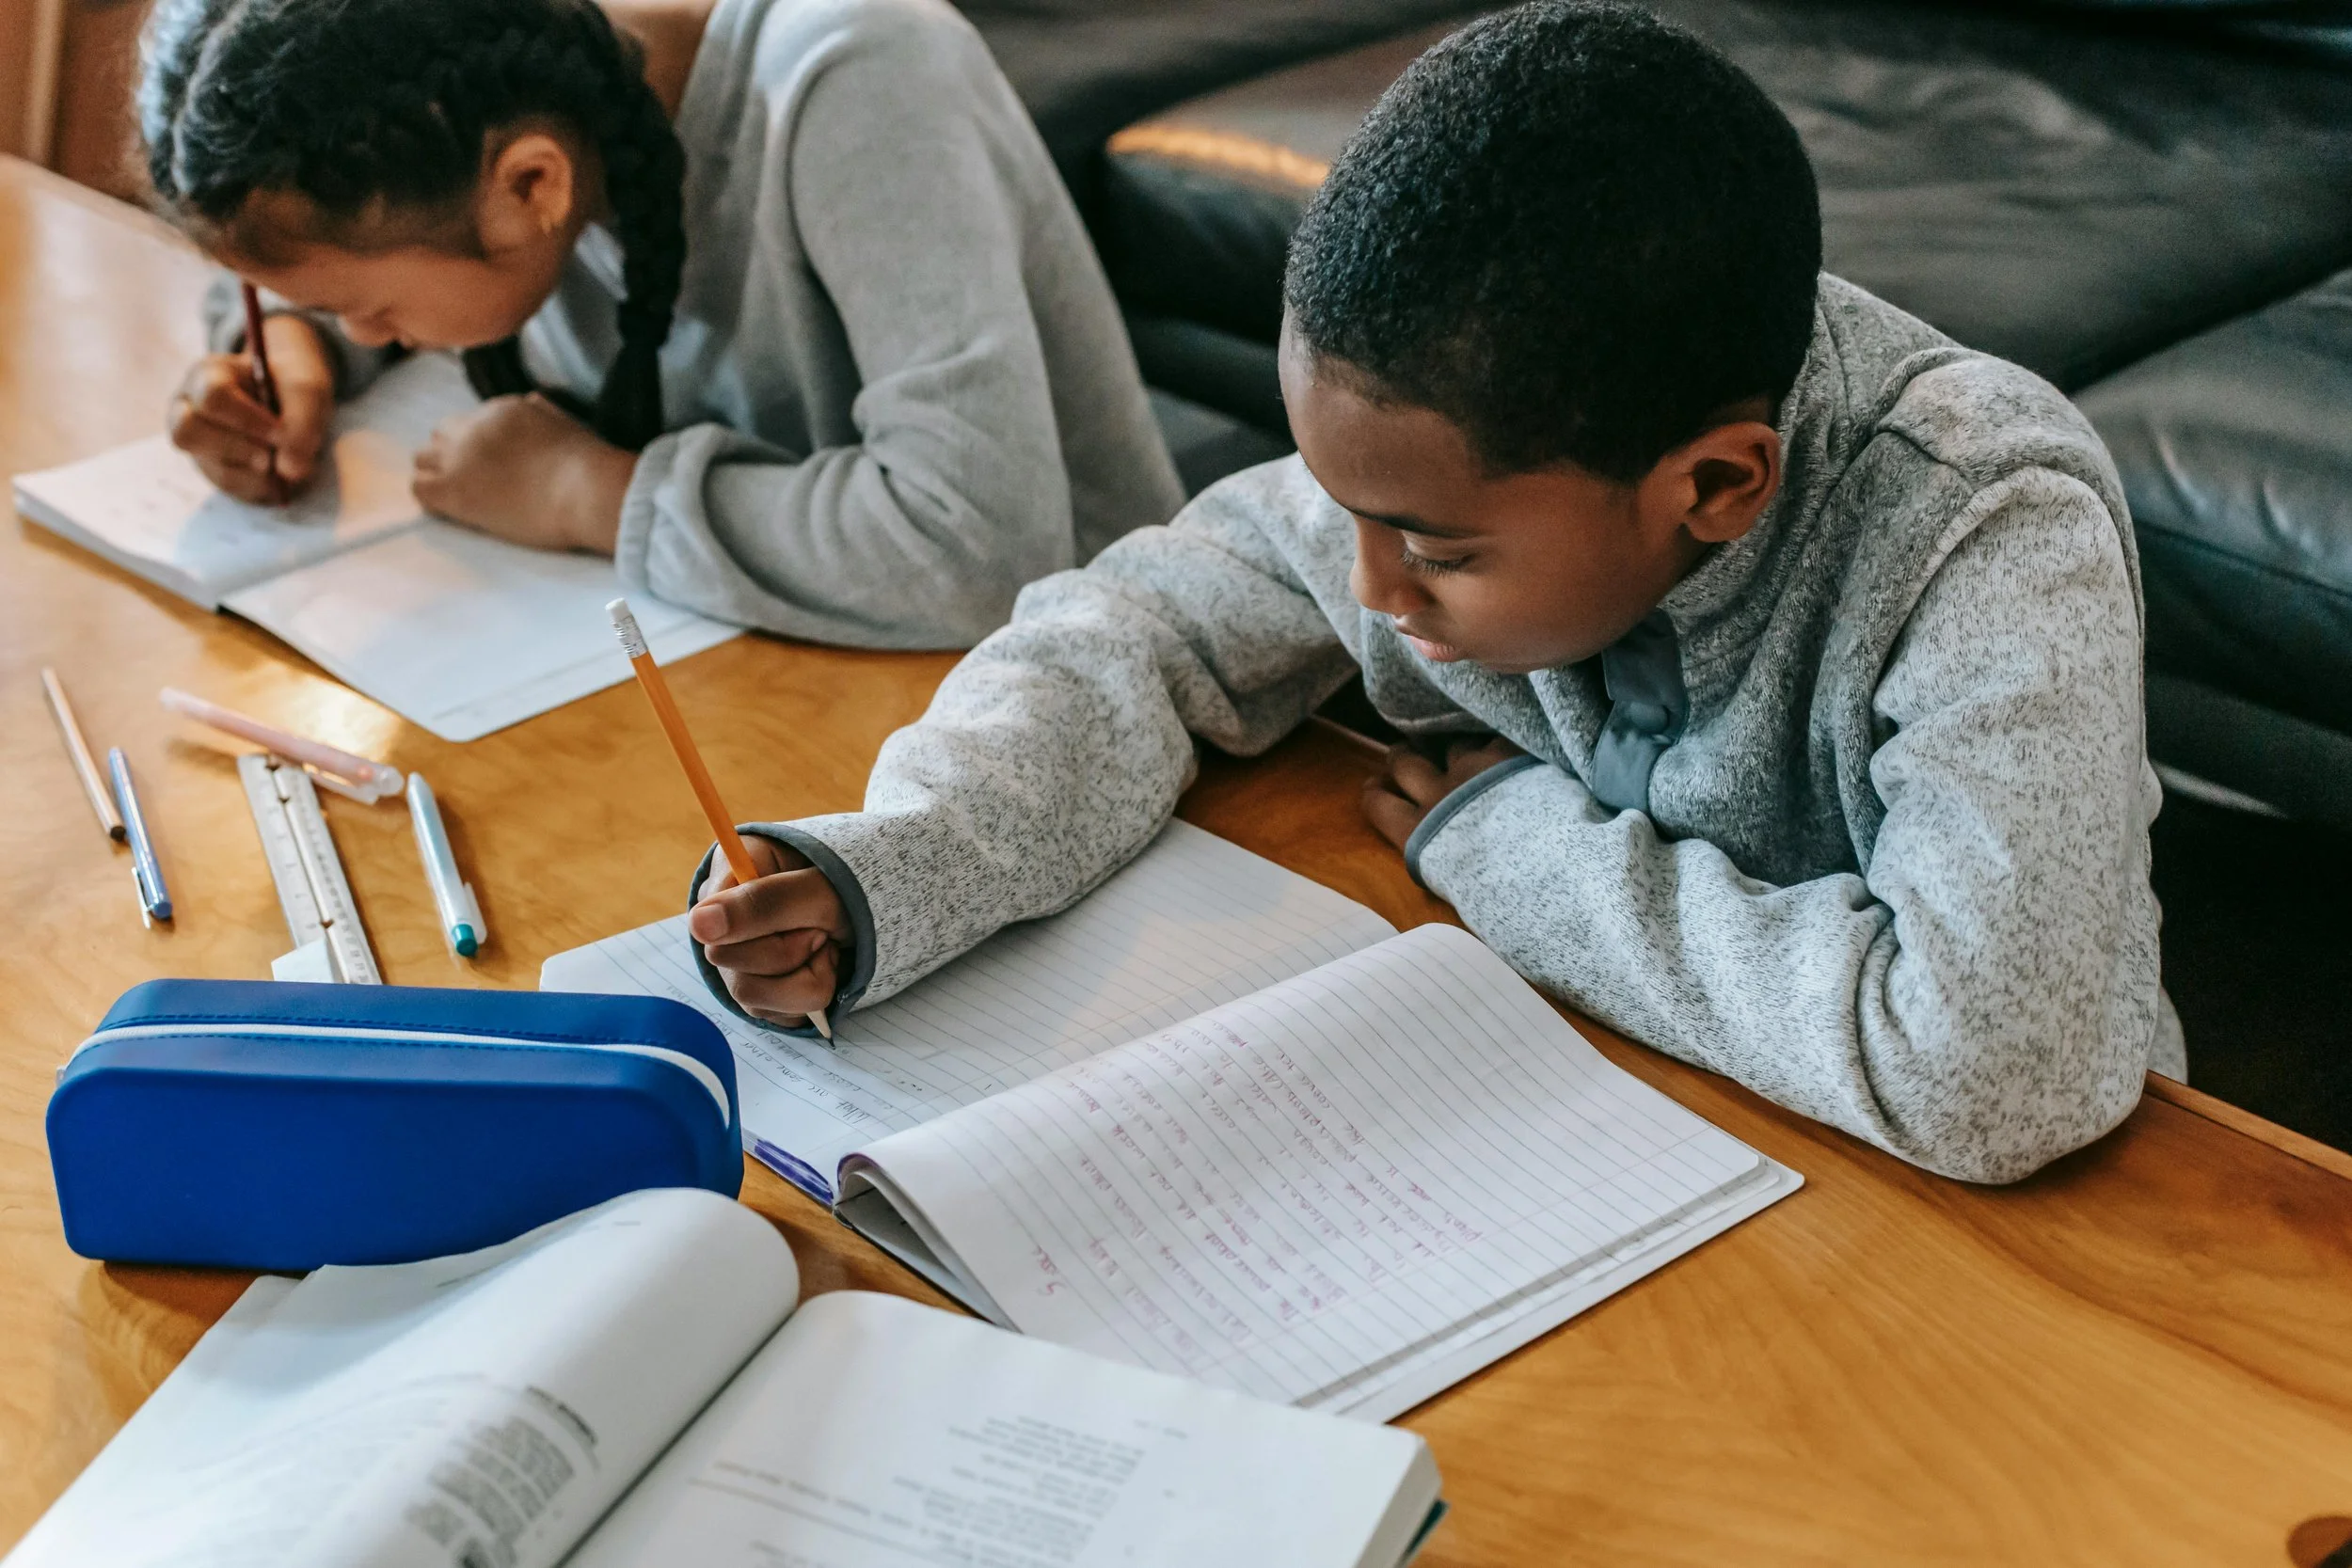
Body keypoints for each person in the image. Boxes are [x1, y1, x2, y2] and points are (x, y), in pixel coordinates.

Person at [685, 0, 2179, 1182]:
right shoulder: (1445, 458)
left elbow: (1998, 1074)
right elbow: (1133, 622)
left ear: (1719, 485)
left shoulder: (1985, 528)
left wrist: (1520, 849)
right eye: (1342, 510)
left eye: (1435, 549)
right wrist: (901, 862)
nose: (1363, 584)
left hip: (2014, 1237)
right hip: (1617, 1127)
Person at [140, 0, 1183, 648]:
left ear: (531, 187)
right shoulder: (499, 107)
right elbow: (336, 236)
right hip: (772, 652)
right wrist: (294, 346)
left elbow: (979, 550)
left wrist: (586, 489)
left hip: (1076, 681)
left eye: (365, 312)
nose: (380, 334)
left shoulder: (853, 78)